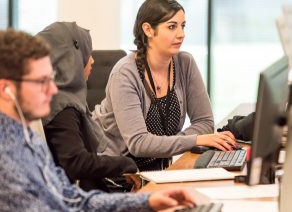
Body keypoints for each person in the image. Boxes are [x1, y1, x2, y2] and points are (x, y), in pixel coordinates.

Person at [0, 28, 195, 211]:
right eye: (41, 81)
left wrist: (146, 201)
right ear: (5, 89)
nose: (53, 89)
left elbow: (71, 199)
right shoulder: (1, 155)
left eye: (51, 79)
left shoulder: (27, 138)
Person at [92, 0, 237, 171]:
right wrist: (196, 139)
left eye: (183, 26)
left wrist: (168, 143)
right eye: (172, 27)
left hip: (157, 171)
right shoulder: (125, 73)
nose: (181, 34)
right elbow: (139, 143)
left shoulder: (185, 63)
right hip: (118, 175)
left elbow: (204, 122)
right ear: (148, 30)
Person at [37, 21, 138, 192]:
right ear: (71, 58)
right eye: (87, 53)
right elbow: (76, 163)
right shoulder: (62, 106)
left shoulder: (65, 99)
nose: (92, 60)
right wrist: (125, 164)